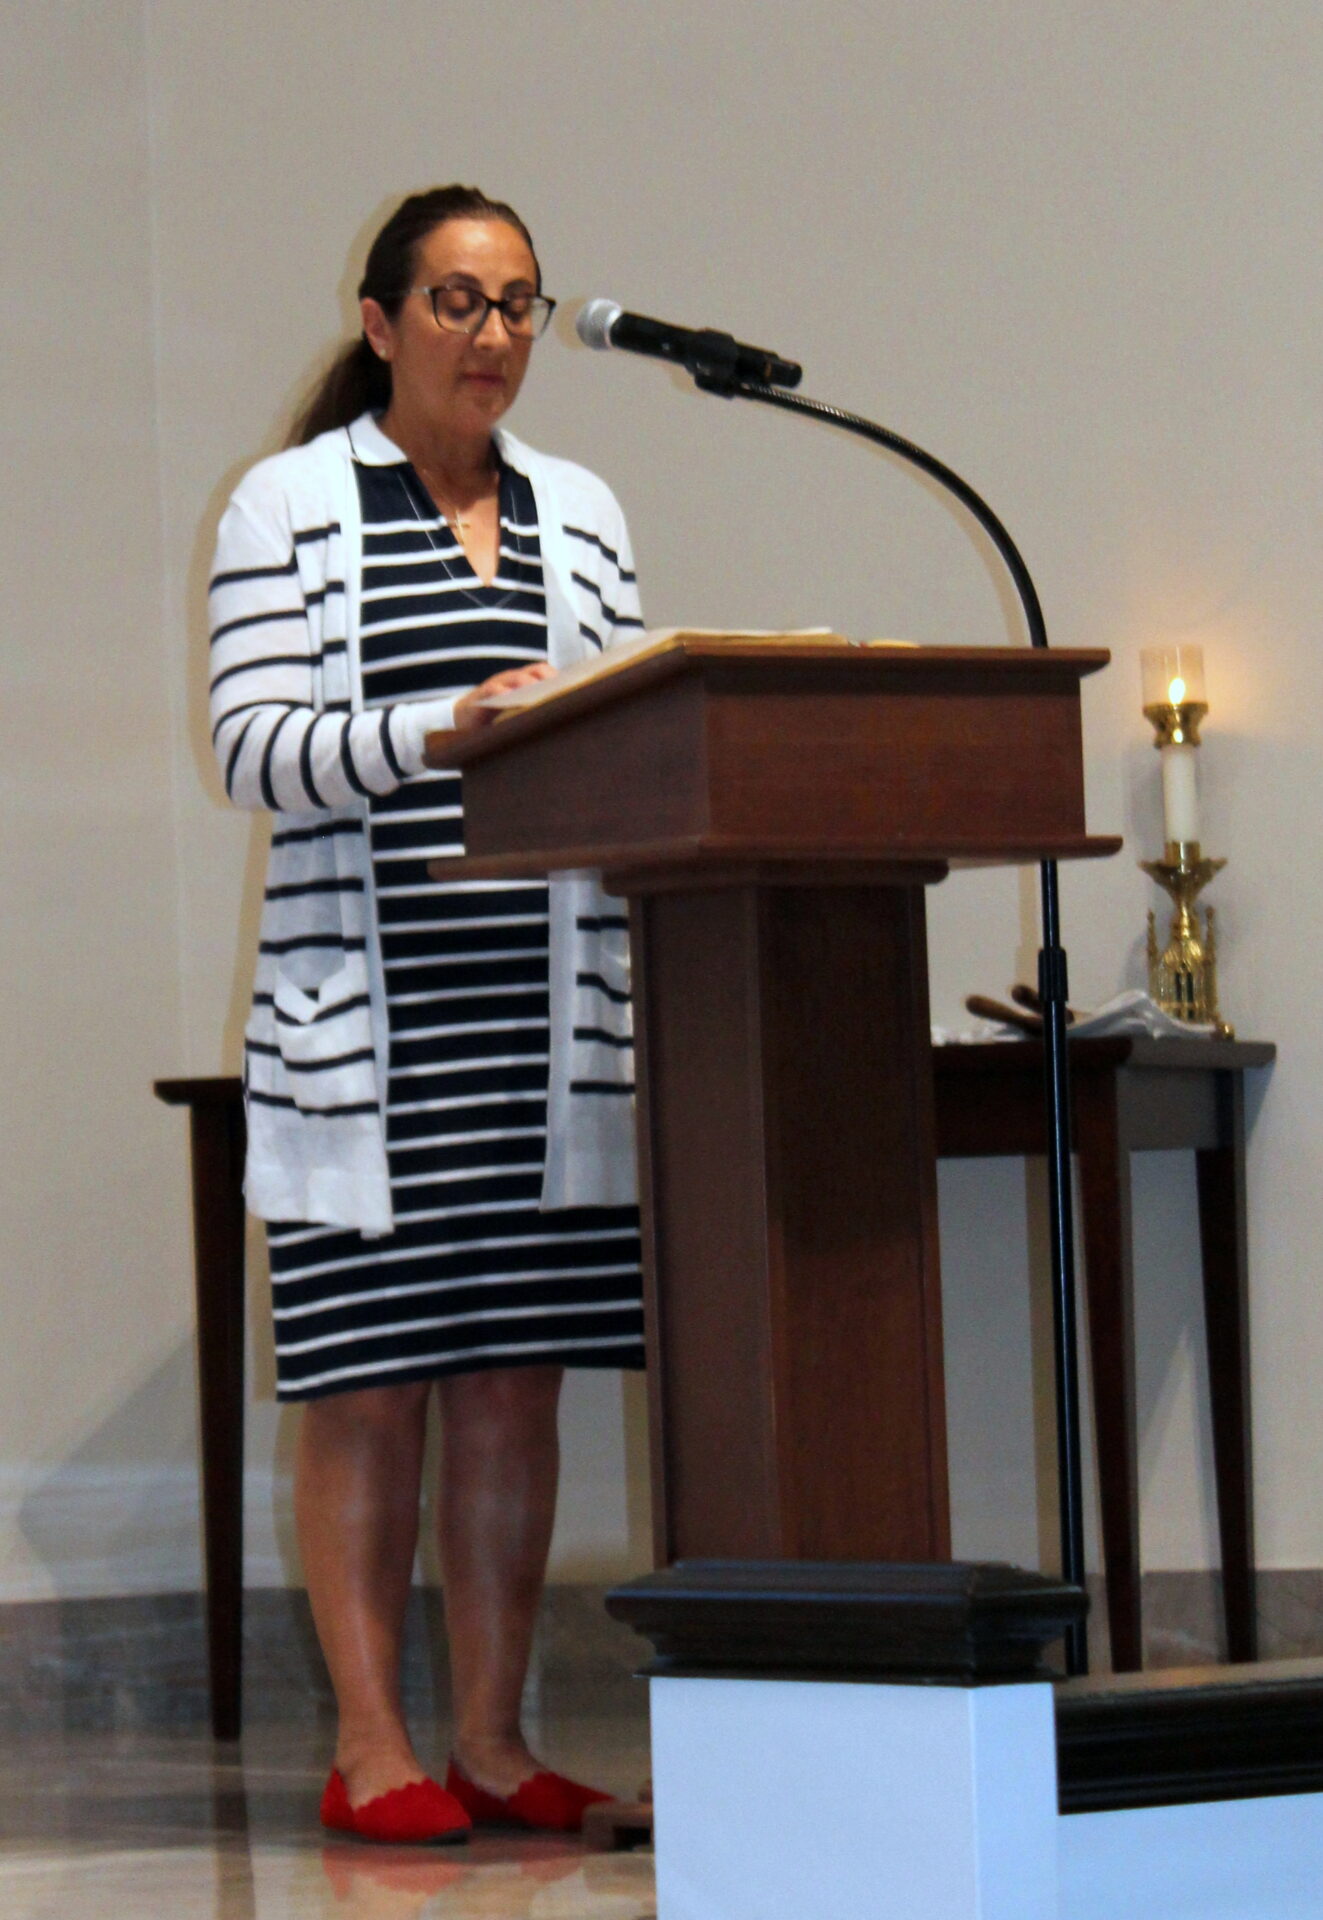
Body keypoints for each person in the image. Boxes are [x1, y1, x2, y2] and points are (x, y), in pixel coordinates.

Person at [208, 186, 646, 1844]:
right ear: (383, 323)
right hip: (372, 1033)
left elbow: (619, 729)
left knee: (516, 1380)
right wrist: (439, 728)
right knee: (372, 1384)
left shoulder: (584, 512)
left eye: (522, 302)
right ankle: (374, 1745)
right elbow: (255, 745)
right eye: (460, 303)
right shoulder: (292, 503)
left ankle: (489, 1736)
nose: (499, 335)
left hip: (543, 1025)